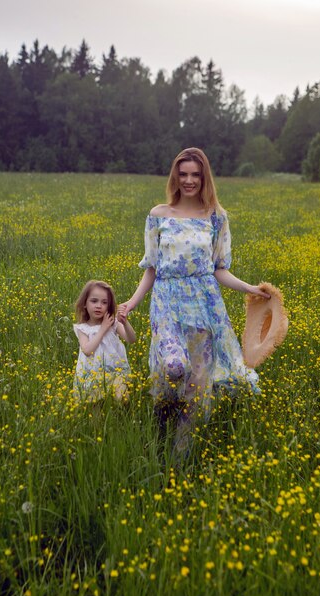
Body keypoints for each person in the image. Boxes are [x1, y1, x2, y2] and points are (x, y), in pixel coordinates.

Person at [119, 147, 269, 447]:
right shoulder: (158, 215)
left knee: (199, 383)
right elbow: (151, 268)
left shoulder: (216, 218)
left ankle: (180, 456)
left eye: (195, 175)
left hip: (205, 304)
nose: (189, 180)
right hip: (166, 302)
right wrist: (131, 303)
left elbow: (219, 269)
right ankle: (162, 419)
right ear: (175, 176)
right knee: (173, 367)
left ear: (204, 178)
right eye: (183, 174)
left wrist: (250, 288)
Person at [73, 280, 136, 402]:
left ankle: (120, 417)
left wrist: (125, 322)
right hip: (93, 374)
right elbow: (87, 350)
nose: (98, 306)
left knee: (121, 398)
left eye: (104, 302)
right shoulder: (83, 328)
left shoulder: (113, 324)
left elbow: (131, 339)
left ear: (109, 305)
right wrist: (102, 329)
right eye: (94, 301)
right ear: (85, 303)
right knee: (94, 403)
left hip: (115, 370)